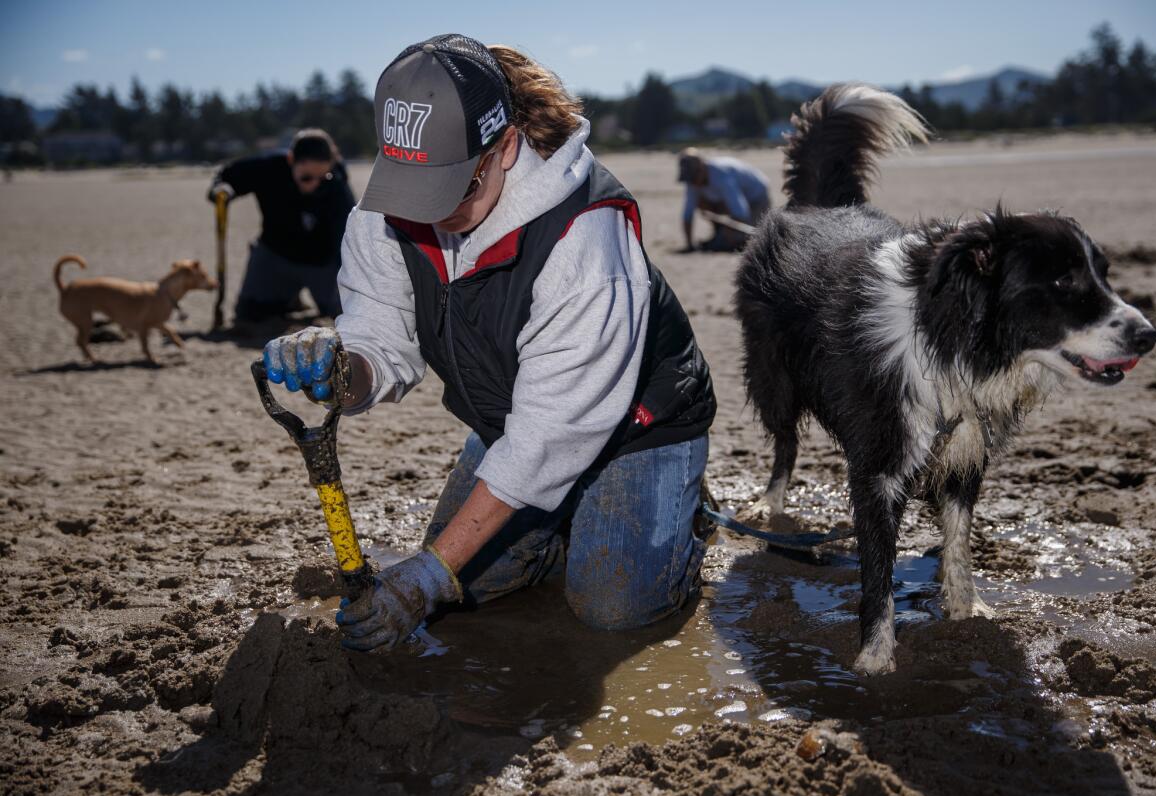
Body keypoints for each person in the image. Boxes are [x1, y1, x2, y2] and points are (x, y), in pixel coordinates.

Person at [262, 34, 717, 651]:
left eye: (455, 189)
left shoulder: (583, 240)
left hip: (638, 426)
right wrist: (345, 367)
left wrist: (427, 575)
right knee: (475, 585)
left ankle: (681, 514)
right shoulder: (389, 206)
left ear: (505, 148)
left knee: (612, 607)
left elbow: (548, 438)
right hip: (510, 419)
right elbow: (383, 337)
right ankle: (565, 524)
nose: (432, 213)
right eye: (417, 191)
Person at [208, 128, 355, 323]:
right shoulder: (269, 168)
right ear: (290, 160)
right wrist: (222, 190)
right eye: (306, 178)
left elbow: (346, 237)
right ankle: (289, 298)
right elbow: (226, 176)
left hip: (322, 264)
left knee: (345, 314)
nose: (314, 185)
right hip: (275, 256)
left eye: (323, 178)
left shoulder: (338, 185)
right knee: (249, 314)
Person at [678, 148, 770, 252]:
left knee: (747, 240)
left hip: (756, 197)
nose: (692, 184)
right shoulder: (693, 182)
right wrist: (689, 244)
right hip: (729, 201)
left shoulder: (721, 176)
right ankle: (719, 233)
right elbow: (688, 214)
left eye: (694, 178)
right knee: (701, 203)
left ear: (701, 168)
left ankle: (727, 236)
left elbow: (740, 212)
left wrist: (730, 231)